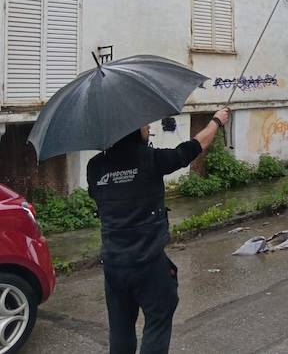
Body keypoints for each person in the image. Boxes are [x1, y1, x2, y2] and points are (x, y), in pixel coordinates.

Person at [87, 108, 230, 354]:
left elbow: (99, 196)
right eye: (144, 125)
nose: (149, 128)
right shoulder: (150, 159)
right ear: (132, 129)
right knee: (158, 324)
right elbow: (194, 147)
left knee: (120, 331)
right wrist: (217, 121)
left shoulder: (95, 166)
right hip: (148, 263)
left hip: (114, 265)